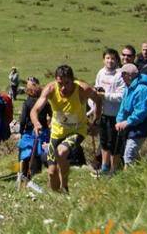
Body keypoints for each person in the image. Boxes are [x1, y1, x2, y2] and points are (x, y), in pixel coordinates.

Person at [30, 65, 102, 193]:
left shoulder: (82, 89)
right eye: (60, 83)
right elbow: (34, 110)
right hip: (57, 132)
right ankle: (58, 196)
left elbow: (98, 100)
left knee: (61, 152)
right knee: (52, 173)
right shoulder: (50, 89)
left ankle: (65, 185)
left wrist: (96, 121)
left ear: (73, 80)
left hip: (77, 129)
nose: (63, 87)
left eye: (67, 83)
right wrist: (36, 123)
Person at [115, 64, 147, 168]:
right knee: (130, 150)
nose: (121, 76)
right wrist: (119, 121)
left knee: (129, 153)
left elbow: (141, 112)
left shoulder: (142, 90)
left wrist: (127, 122)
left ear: (130, 76)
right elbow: (123, 107)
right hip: (134, 124)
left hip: (143, 125)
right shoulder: (128, 88)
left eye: (123, 74)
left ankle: (128, 177)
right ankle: (139, 170)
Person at [92, 48, 125, 176]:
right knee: (104, 142)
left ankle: (114, 169)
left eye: (112, 58)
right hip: (102, 113)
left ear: (117, 60)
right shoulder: (100, 73)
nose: (110, 61)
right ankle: (105, 167)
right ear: (103, 60)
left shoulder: (120, 74)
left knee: (114, 144)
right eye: (107, 58)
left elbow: (121, 96)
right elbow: (96, 88)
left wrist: (105, 96)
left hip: (116, 115)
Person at [18, 77, 50, 179]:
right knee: (40, 154)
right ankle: (38, 175)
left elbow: (23, 119)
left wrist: (21, 131)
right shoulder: (45, 102)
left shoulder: (27, 103)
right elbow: (52, 114)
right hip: (43, 131)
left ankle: (24, 175)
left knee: (25, 154)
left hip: (30, 131)